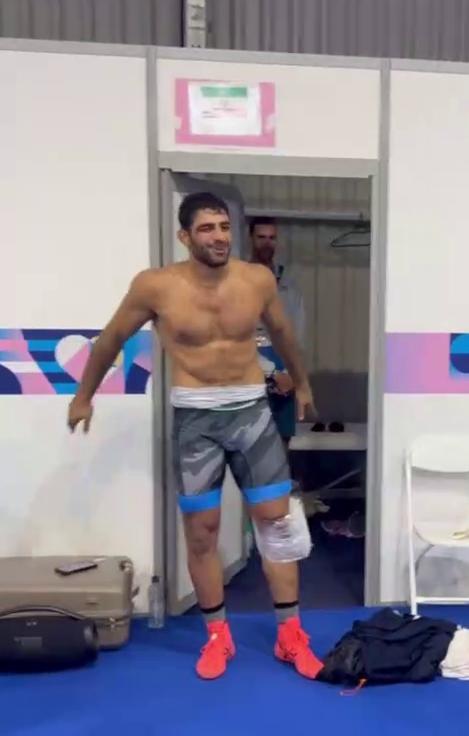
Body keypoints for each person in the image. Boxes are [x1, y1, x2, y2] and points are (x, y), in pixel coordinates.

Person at [66, 191, 323, 683]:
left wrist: (303, 382)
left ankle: (291, 634)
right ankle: (217, 636)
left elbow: (283, 333)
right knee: (202, 532)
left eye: (224, 227)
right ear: (185, 236)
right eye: (207, 228)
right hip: (195, 422)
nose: (219, 237)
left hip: (252, 414)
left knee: (277, 523)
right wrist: (84, 396)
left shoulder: (256, 279)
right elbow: (112, 338)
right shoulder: (155, 286)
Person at [248, 217, 306, 454]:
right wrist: (270, 372)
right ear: (251, 239)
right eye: (261, 237)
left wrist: (293, 374)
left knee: (282, 443)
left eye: (272, 238)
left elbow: (297, 332)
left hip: (284, 369)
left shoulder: (287, 283)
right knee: (251, 445)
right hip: (249, 370)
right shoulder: (238, 280)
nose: (267, 243)